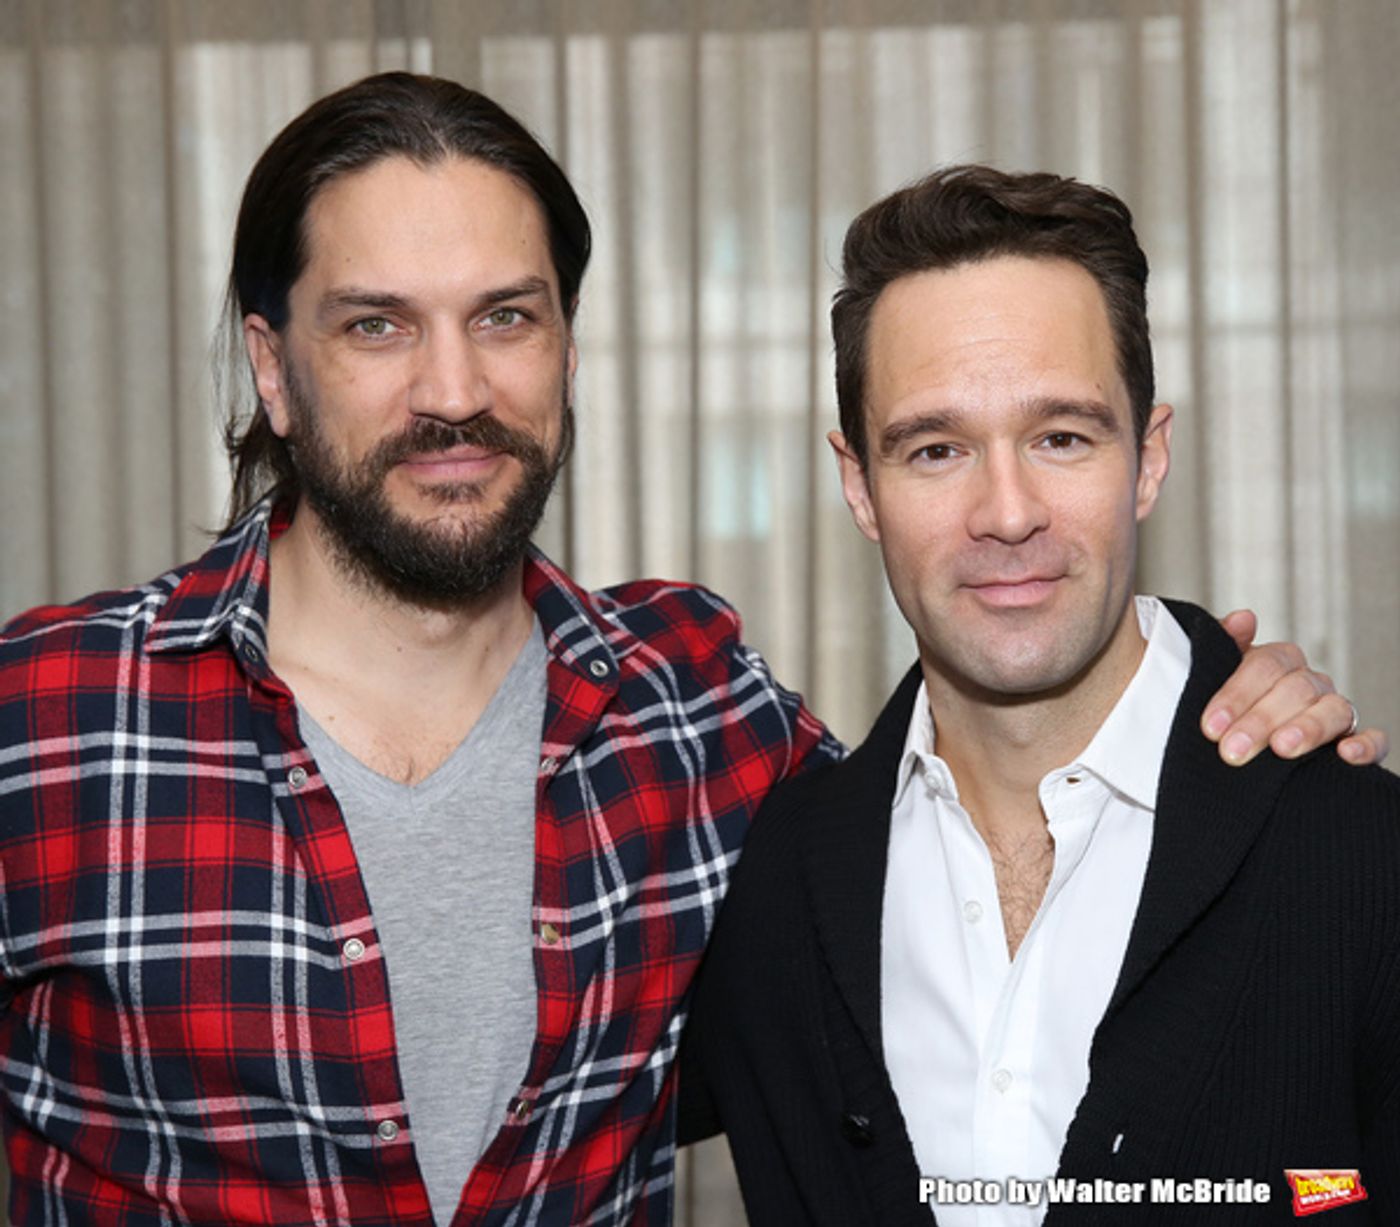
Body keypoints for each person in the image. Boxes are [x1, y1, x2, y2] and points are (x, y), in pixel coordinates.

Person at [0, 77, 1379, 1227]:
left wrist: (1236, 711)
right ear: (272, 366)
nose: (453, 388)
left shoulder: (697, 715)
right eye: (377, 324)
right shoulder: (47, 720)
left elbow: (1004, 770)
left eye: (505, 315)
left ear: (567, 350)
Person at [679, 165, 1400, 1225]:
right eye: (935, 450)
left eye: (1061, 437)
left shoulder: (1362, 855)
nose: (1007, 513)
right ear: (859, 486)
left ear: (1146, 458)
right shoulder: (770, 881)